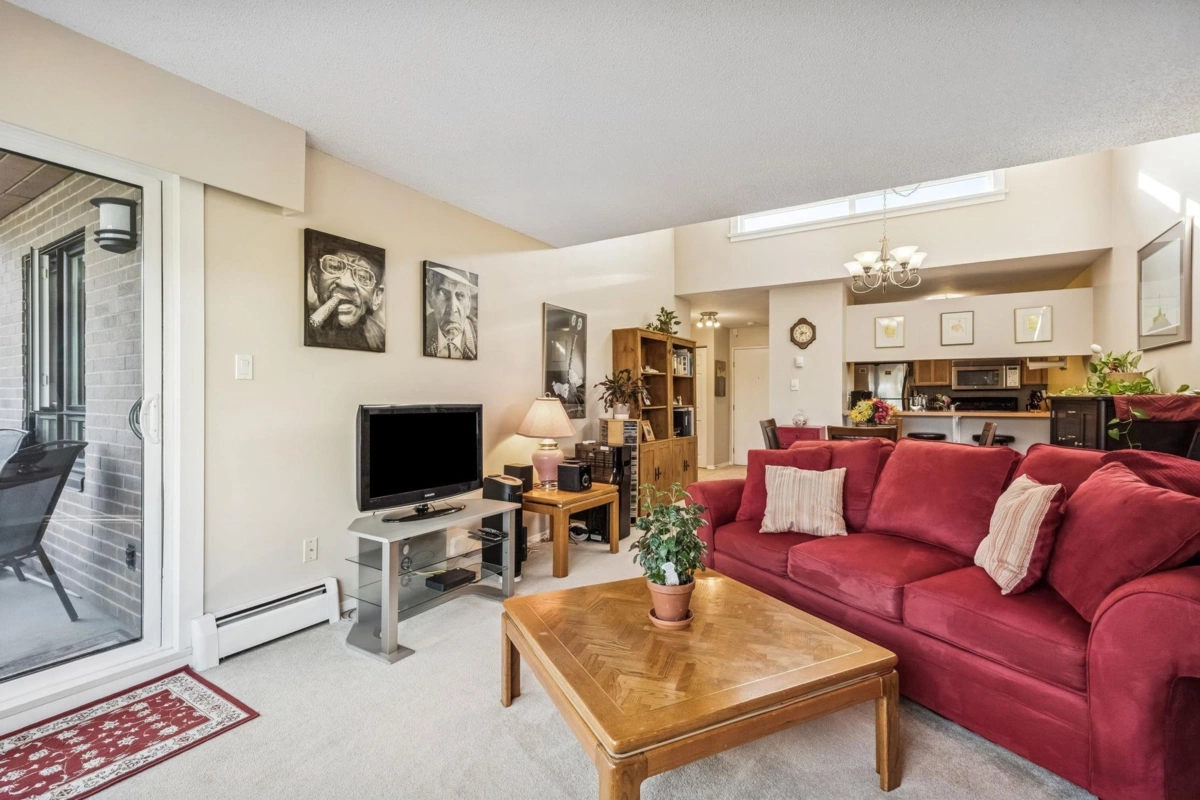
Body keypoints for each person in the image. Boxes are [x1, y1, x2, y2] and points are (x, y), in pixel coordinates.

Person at [307, 249, 385, 351]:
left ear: (376, 297)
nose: (345, 283)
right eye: (334, 267)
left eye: (362, 276)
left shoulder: (381, 339)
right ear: (315, 279)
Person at [424, 265, 478, 359]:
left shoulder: (481, 339)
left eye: (461, 295)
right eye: (443, 293)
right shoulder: (419, 333)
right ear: (430, 298)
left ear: (468, 304)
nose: (452, 309)